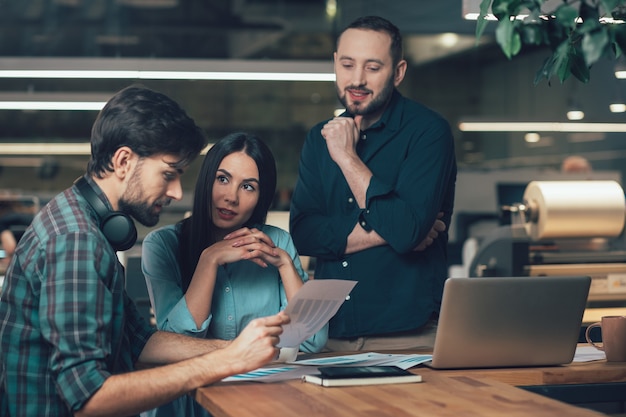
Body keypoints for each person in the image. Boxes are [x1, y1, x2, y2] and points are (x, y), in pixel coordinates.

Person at [0, 86, 290, 417]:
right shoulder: (77, 240)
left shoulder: (83, 222)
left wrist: (236, 348)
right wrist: (225, 361)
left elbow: (137, 341)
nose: (178, 192)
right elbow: (89, 397)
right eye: (168, 173)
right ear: (124, 161)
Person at [290, 16, 457, 352]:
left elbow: (407, 230)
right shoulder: (318, 137)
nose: (357, 79)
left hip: (408, 337)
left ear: (398, 72)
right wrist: (392, 232)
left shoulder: (428, 133)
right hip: (327, 334)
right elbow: (304, 233)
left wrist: (347, 157)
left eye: (373, 67)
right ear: (335, 63)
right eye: (348, 64)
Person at [141, 132, 327, 417]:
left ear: (261, 197)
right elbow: (173, 341)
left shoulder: (277, 242)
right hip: (189, 405)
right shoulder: (162, 245)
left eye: (248, 187)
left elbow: (313, 341)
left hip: (262, 402)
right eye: (223, 179)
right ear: (207, 180)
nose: (231, 197)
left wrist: (285, 266)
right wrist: (209, 259)